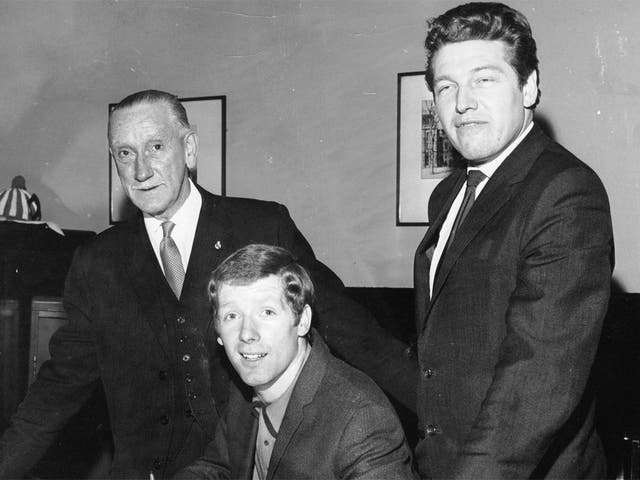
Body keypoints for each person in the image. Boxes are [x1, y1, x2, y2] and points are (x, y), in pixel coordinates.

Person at [0, 90, 416, 479]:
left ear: (190, 149)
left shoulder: (261, 226)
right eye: (126, 153)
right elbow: (58, 388)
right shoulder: (98, 260)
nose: (141, 170)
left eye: (156, 147)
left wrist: (443, 423)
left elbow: (357, 336)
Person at [413, 3, 614, 478]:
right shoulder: (450, 193)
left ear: (529, 87)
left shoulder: (567, 192)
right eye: (446, 87)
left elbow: (535, 385)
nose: (462, 102)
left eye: (484, 79)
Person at [176, 244, 416, 480]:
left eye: (266, 312)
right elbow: (220, 466)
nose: (247, 333)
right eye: (232, 316)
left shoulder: (361, 419)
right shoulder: (246, 387)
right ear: (218, 332)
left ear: (302, 321)